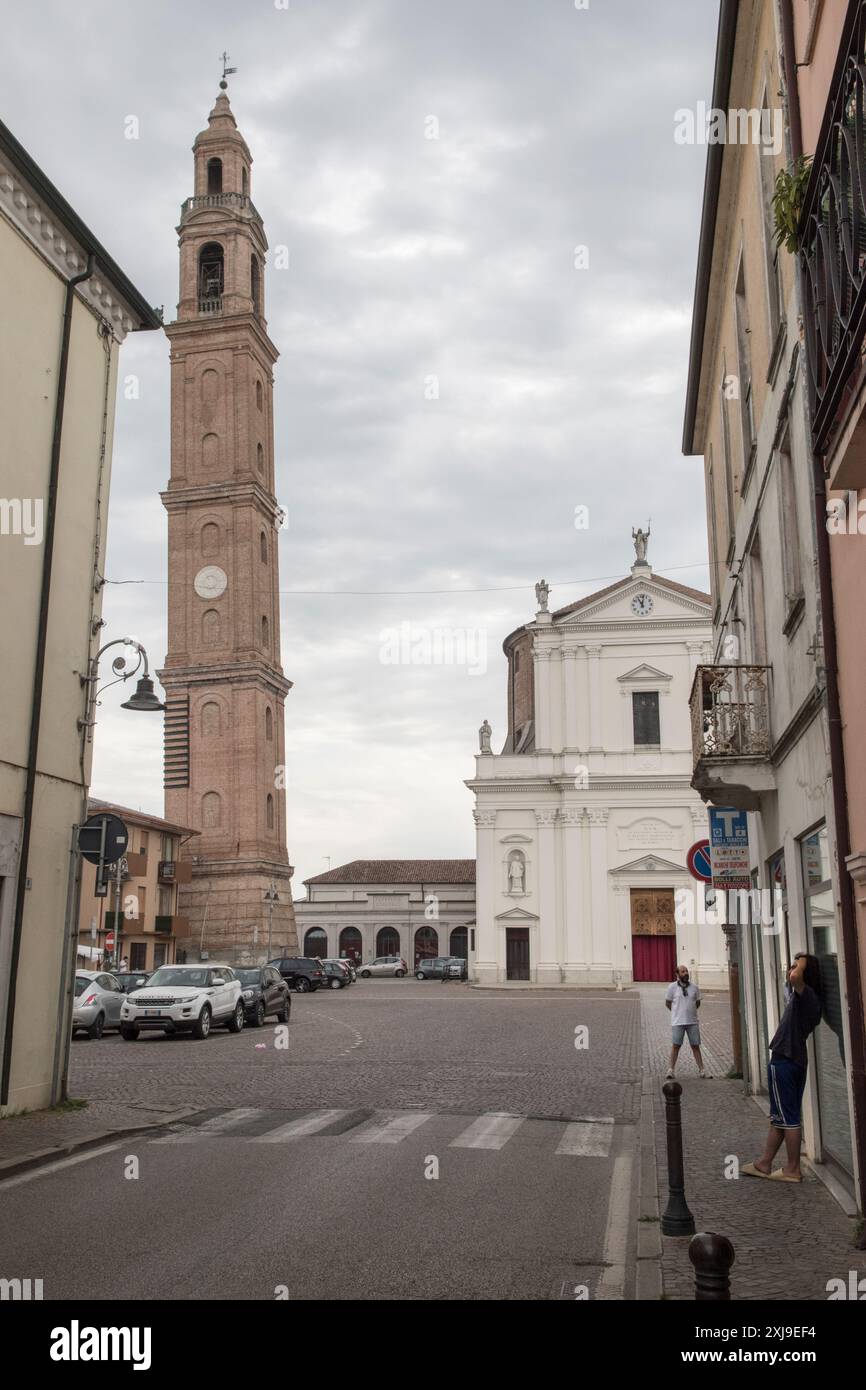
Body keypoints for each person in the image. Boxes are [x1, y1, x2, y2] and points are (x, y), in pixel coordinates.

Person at [742, 953, 822, 1184]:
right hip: (793, 1059)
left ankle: (792, 1169)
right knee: (781, 1117)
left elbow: (795, 976)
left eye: (797, 966)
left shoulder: (806, 995)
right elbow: (792, 979)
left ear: (806, 972)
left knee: (789, 1118)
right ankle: (764, 1163)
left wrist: (802, 961)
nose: (792, 969)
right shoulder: (807, 998)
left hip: (785, 1060)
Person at [665, 964, 709, 1079]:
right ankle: (671, 1070)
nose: (685, 973)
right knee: (676, 1046)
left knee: (695, 1046)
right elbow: (668, 1003)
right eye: (683, 972)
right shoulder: (672, 987)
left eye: (686, 971)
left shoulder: (694, 987)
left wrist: (690, 1012)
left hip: (692, 1022)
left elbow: (697, 1003)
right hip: (677, 1022)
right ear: (677, 974)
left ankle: (702, 1070)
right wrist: (677, 1012)